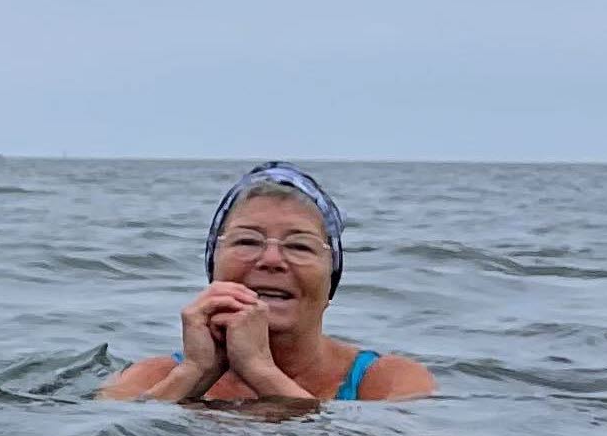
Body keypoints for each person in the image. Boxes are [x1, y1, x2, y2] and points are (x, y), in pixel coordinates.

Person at [102, 161, 434, 403]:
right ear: (213, 269)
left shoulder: (388, 382)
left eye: (299, 246)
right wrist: (193, 375)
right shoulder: (151, 379)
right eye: (247, 242)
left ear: (329, 284)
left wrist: (260, 371)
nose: (271, 260)